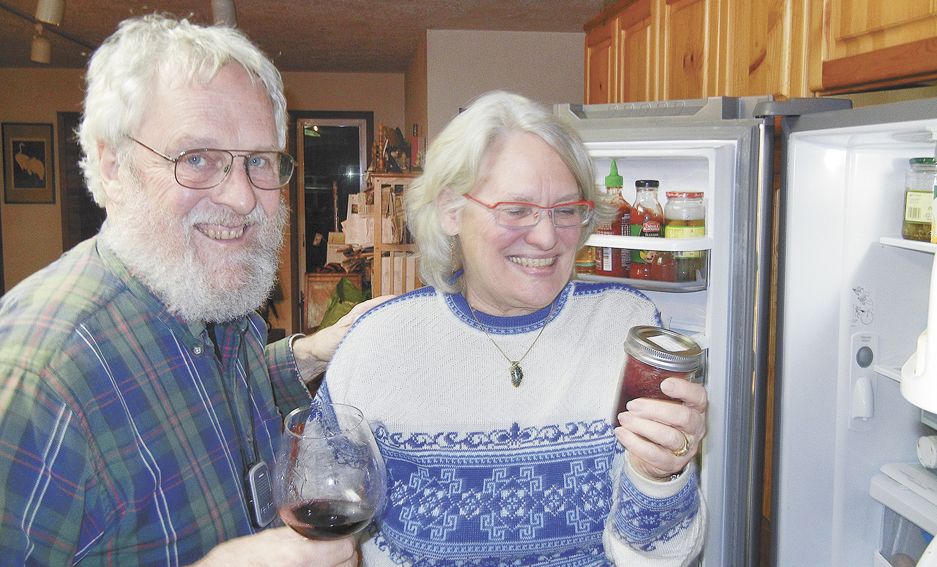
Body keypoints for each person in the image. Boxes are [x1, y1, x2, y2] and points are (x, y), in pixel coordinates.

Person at [0, 14, 385, 566]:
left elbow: (200, 389)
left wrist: (307, 354)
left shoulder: (207, 302)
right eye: (197, 159)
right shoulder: (39, 377)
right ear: (112, 167)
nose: (242, 198)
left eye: (258, 161)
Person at [319, 90, 708, 566]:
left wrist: (660, 477)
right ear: (450, 210)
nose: (547, 237)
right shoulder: (380, 344)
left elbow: (662, 557)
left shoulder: (625, 327)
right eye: (516, 210)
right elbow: (321, 521)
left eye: (566, 210)